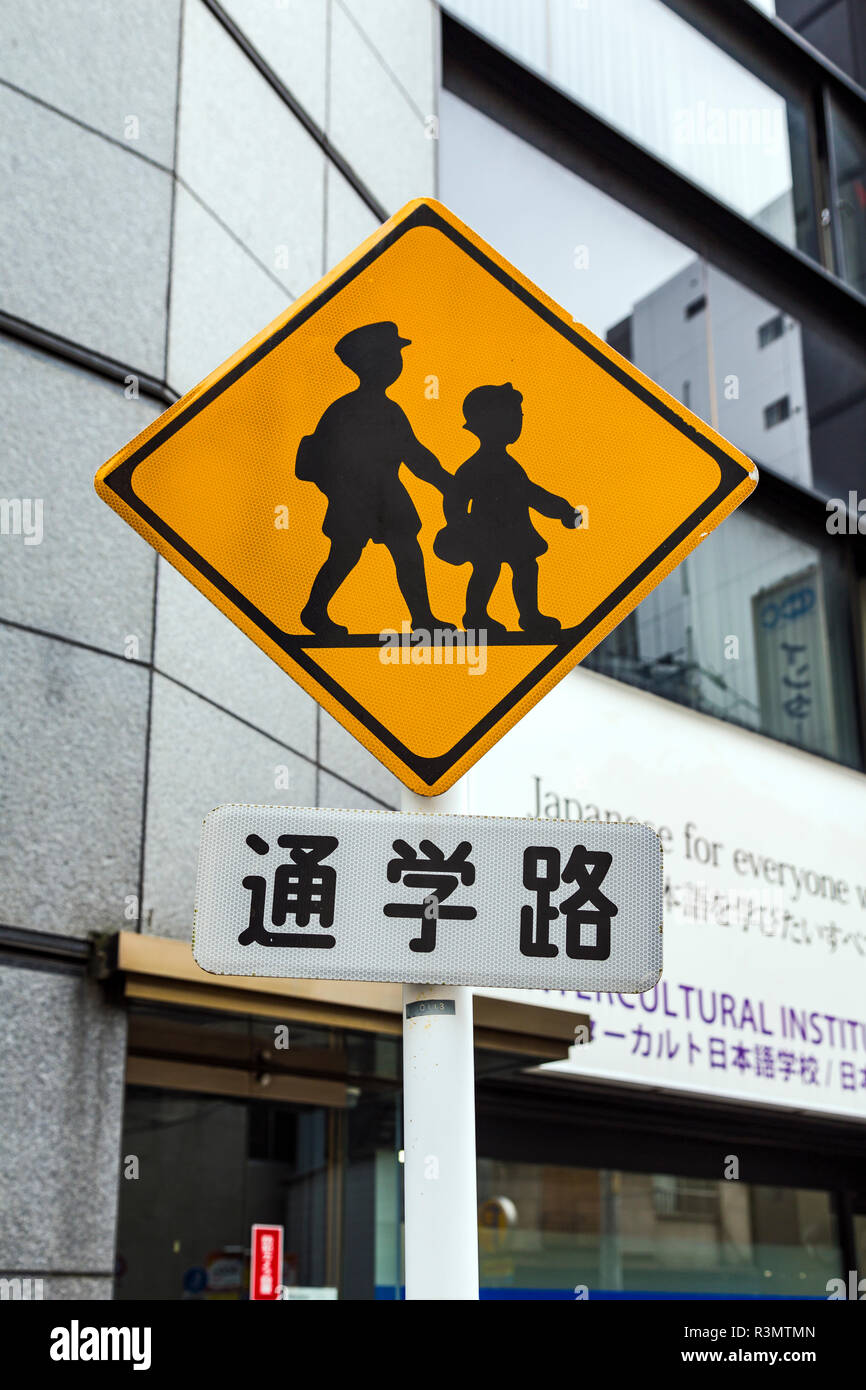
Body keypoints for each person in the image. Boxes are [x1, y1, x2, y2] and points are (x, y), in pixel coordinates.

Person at [296, 321, 452, 636]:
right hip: (357, 499)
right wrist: (447, 484)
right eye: (392, 356)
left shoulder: (380, 408)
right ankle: (315, 610)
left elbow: (416, 456)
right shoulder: (354, 409)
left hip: (384, 498)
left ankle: (423, 617)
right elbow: (415, 457)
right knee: (346, 554)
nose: (397, 362)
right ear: (373, 362)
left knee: (404, 550)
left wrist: (447, 483)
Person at [433, 382, 578, 638]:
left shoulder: (508, 465)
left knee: (524, 566)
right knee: (488, 569)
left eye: (518, 416)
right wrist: (457, 525)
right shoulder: (476, 466)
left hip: (515, 530)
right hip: (486, 532)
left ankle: (529, 615)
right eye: (512, 416)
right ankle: (476, 615)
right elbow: (455, 498)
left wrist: (562, 510)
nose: (517, 423)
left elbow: (533, 494)